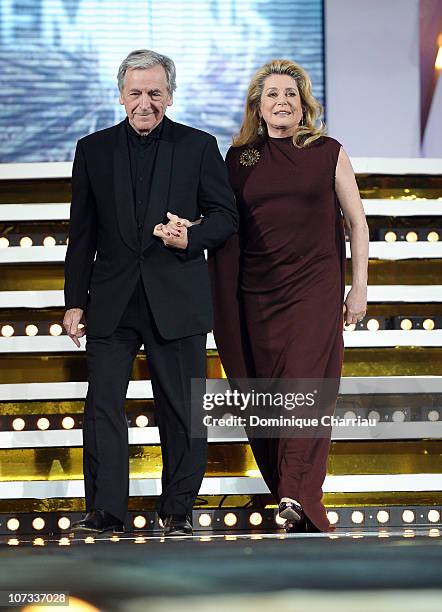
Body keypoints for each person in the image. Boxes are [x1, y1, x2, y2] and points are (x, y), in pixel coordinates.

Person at [63, 49, 237, 536]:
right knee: (102, 406)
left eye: (155, 93)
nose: (145, 102)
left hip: (176, 297)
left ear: (170, 95)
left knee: (182, 409)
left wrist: (191, 236)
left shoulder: (199, 146)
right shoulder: (92, 149)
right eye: (136, 93)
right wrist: (74, 301)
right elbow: (83, 233)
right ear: (121, 96)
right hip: (112, 300)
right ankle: (106, 511)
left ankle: (177, 508)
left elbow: (226, 217)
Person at [207, 59, 368, 532]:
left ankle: (294, 490)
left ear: (304, 105)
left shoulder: (327, 151)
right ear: (258, 105)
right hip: (256, 294)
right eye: (273, 94)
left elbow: (357, 222)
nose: (283, 101)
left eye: (291, 95)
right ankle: (298, 499)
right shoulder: (240, 159)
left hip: (314, 288)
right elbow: (224, 222)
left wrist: (358, 288)